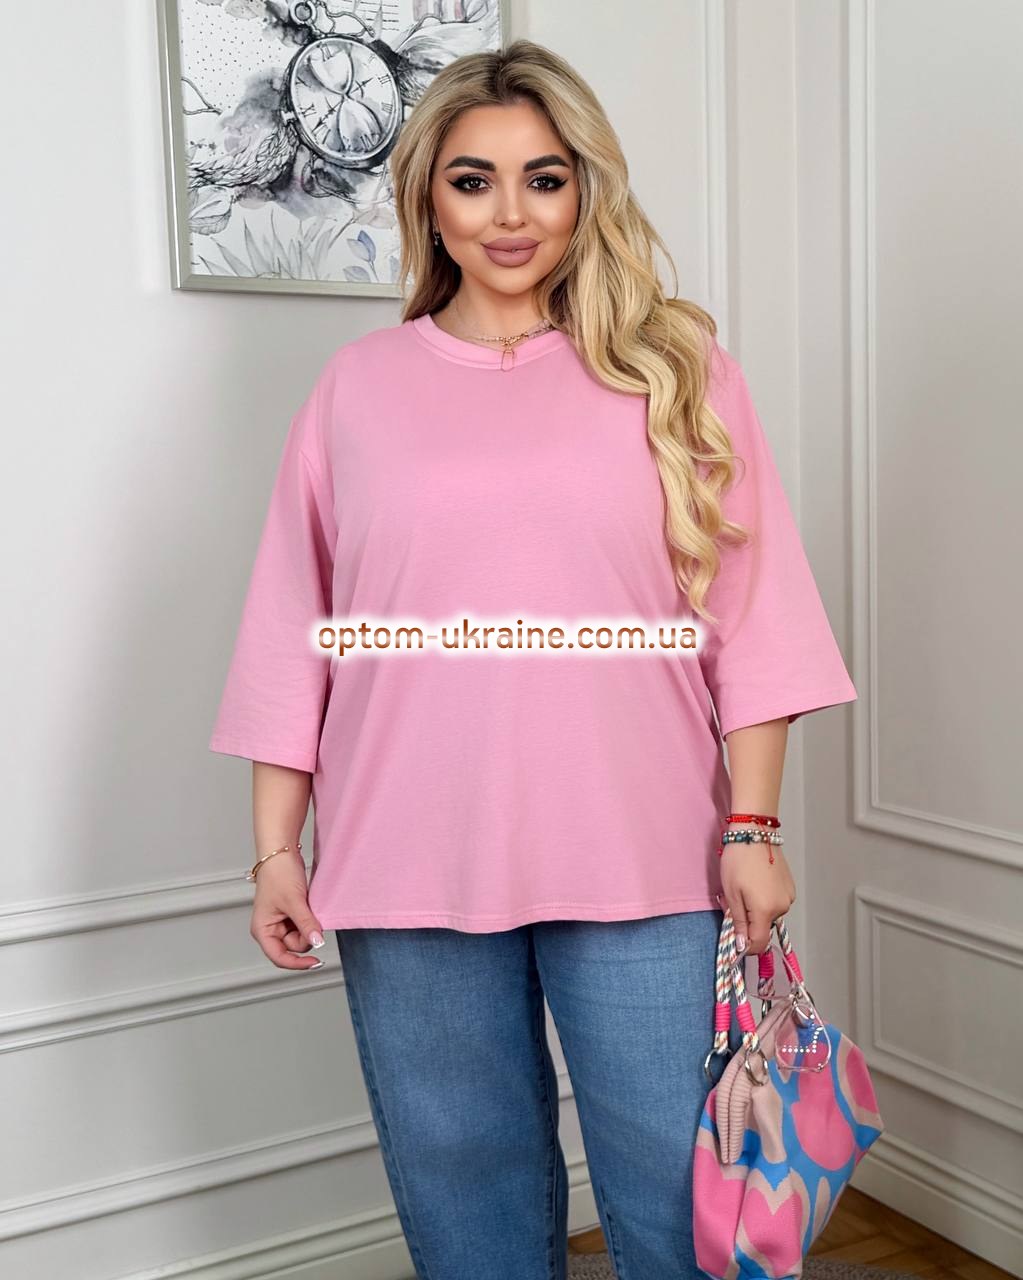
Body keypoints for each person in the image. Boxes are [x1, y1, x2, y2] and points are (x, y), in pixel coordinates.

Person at [208, 38, 857, 1280]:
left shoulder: (677, 373)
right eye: (474, 180)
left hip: (648, 852)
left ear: (583, 191)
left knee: (680, 1213)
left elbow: (753, 615)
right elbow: (294, 626)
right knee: (468, 1214)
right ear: (427, 198)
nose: (510, 213)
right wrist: (276, 849)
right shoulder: (357, 388)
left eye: (544, 178)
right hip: (406, 855)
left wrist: (754, 827)